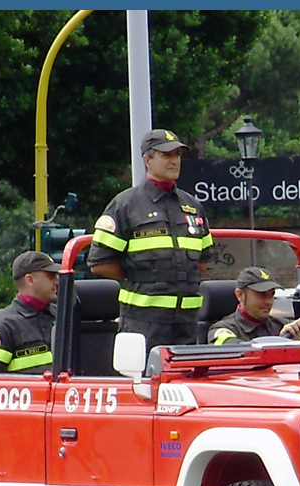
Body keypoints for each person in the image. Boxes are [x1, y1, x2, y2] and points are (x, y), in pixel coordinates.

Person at [86, 129, 214, 352]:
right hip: (143, 323)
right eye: (167, 155)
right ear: (147, 160)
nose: (174, 161)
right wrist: (141, 277)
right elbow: (99, 263)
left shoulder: (193, 206)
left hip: (187, 324)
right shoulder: (125, 205)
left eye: (177, 155)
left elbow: (202, 262)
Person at [0, 250, 61, 373]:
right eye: (50, 276)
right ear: (30, 280)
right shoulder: (1, 326)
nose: (57, 281)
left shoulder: (61, 317)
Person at [208, 267, 300, 344]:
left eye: (272, 294)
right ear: (240, 295)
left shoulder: (282, 325)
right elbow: (239, 352)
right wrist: (281, 342)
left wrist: (299, 340)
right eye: (262, 295)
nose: (269, 302)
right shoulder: (222, 330)